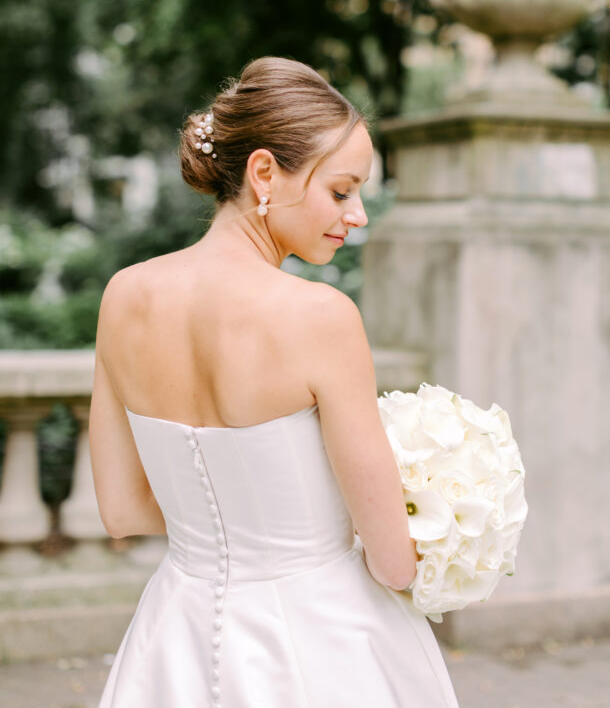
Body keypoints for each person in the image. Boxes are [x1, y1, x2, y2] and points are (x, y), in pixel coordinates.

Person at [90, 56, 459, 707]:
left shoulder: (124, 296)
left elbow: (120, 510)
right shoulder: (320, 317)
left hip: (173, 635)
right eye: (341, 190)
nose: (359, 214)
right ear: (263, 172)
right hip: (321, 644)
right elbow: (392, 562)